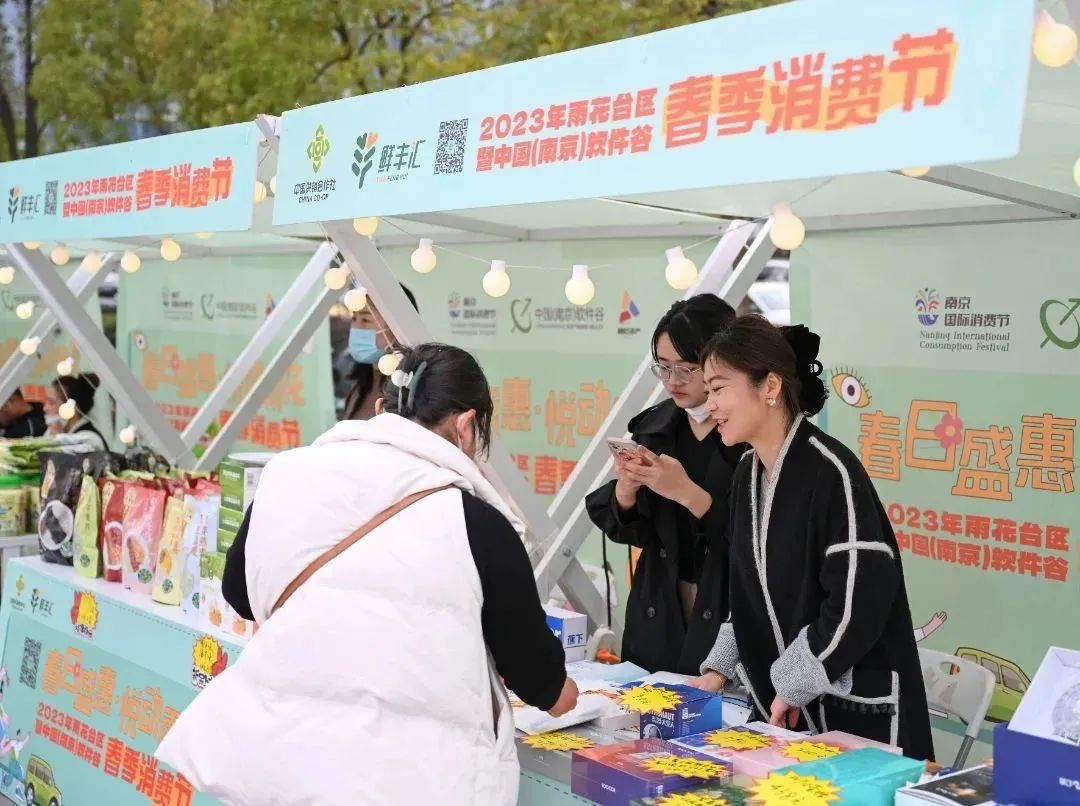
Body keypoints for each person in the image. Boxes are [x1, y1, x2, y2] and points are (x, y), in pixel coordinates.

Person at [158, 343, 576, 805]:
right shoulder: (475, 521)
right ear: (466, 426)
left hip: (284, 764)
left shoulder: (286, 474)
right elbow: (539, 681)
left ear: (382, 409)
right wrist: (567, 694)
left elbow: (239, 593)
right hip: (408, 782)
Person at [688, 316, 934, 760]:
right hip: (793, 715)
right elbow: (747, 592)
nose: (710, 406)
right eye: (707, 392)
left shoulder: (832, 471)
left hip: (854, 716)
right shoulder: (746, 474)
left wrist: (794, 681)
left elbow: (860, 600)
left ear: (769, 387)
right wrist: (719, 669)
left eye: (719, 388)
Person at [585, 295, 742, 675]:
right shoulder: (655, 426)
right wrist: (626, 491)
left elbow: (759, 541)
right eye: (664, 367)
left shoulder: (748, 435)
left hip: (727, 608)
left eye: (687, 369)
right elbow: (640, 531)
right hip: (659, 605)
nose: (673, 381)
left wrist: (688, 493)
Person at [341, 283, 418, 421]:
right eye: (354, 318)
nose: (356, 327)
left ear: (397, 326)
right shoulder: (360, 388)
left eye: (365, 319)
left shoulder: (414, 390)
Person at [44, 374, 106, 449]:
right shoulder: (54, 430)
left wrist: (58, 440)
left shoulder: (89, 439)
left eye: (52, 403)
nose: (45, 408)